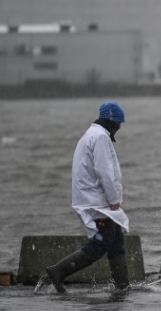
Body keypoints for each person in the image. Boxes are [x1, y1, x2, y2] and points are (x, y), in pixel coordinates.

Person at [46, 101, 131, 293]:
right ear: (111, 122)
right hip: (98, 202)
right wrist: (114, 200)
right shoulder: (100, 137)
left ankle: (123, 286)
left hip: (95, 199)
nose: (118, 128)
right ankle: (58, 271)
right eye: (118, 124)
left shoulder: (92, 134)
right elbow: (103, 171)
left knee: (116, 242)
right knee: (101, 243)